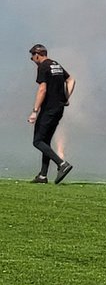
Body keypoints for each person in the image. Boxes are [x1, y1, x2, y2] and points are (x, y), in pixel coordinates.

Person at [27, 44, 75, 184]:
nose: (32, 60)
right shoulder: (56, 65)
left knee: (37, 141)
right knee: (45, 140)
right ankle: (43, 176)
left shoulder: (43, 66)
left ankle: (62, 164)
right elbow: (71, 80)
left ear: (37, 55)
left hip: (49, 109)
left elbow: (42, 89)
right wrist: (66, 98)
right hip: (59, 108)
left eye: (32, 57)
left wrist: (35, 111)